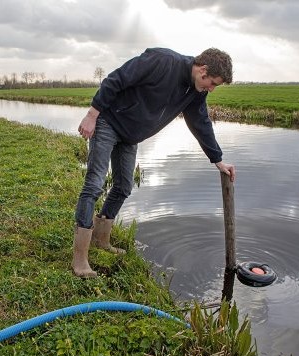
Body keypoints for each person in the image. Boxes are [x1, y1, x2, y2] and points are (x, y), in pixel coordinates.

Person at [72, 47, 236, 277]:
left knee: (123, 187)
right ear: (203, 70)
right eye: (213, 83)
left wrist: (218, 160)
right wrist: (91, 115)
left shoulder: (196, 92)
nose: (211, 89)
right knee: (95, 184)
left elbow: (201, 123)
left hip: (130, 136)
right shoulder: (162, 61)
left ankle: (102, 239)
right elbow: (116, 79)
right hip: (108, 121)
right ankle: (80, 259)